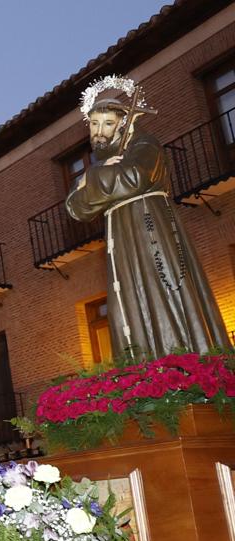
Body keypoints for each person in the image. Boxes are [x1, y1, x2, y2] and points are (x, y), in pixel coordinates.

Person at [66, 76, 230, 357]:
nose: (99, 131)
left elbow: (135, 177)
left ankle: (180, 362)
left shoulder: (144, 145)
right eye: (94, 124)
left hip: (149, 228)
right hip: (121, 238)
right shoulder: (107, 160)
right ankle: (143, 368)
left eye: (106, 123)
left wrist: (92, 177)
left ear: (121, 122)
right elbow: (76, 208)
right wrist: (98, 176)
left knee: (159, 288)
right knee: (130, 297)